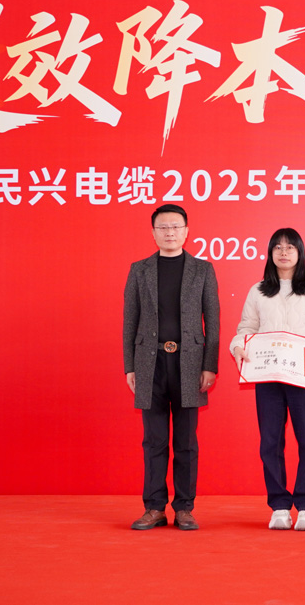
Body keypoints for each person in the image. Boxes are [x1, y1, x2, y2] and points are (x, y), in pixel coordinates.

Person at [231, 228, 305, 531]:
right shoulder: (258, 290)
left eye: (290, 247)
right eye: (277, 247)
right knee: (270, 443)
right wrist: (238, 345)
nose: (283, 252)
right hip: (267, 375)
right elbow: (246, 327)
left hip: (304, 374)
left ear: (300, 252)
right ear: (270, 253)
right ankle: (279, 505)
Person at [123, 204, 220, 531]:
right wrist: (130, 366)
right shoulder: (139, 270)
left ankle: (184, 508)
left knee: (186, 441)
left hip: (189, 364)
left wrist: (209, 365)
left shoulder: (202, 270)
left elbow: (213, 321)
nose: (169, 232)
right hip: (149, 363)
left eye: (175, 226)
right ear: (153, 233)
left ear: (186, 231)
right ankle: (154, 507)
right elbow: (129, 321)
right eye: (163, 227)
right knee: (154, 440)